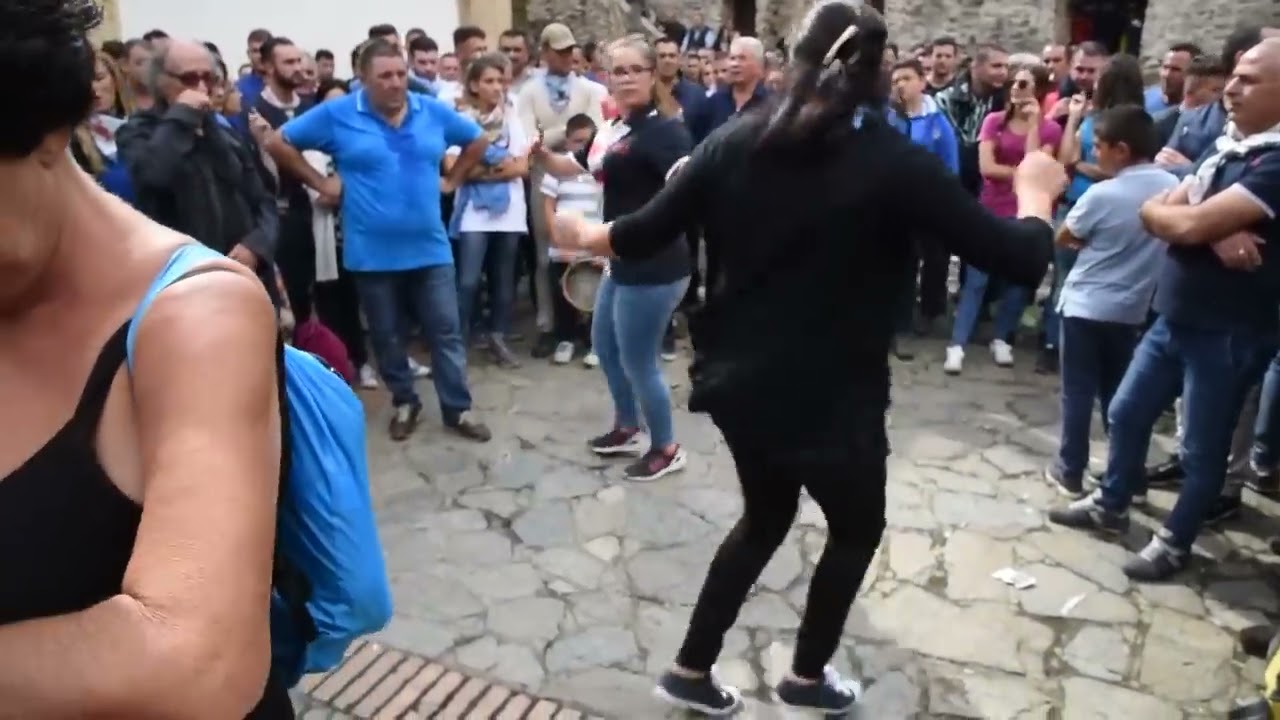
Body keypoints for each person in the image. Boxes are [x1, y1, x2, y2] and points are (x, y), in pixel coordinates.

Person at [551, 0, 1064, 713]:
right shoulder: (890, 163)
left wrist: (586, 233)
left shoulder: (734, 140)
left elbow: (643, 231)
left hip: (741, 383)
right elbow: (1016, 254)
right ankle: (803, 677)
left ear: (793, 62)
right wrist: (1036, 192)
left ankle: (691, 671)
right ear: (877, 74)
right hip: (830, 398)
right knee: (855, 529)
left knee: (765, 518)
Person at [0, 0, 286, 716]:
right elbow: (152, 172)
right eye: (186, 76)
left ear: (44, 128)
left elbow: (193, 662)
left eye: (207, 74)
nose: (200, 85)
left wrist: (255, 247)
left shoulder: (194, 317)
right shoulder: (155, 134)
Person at [535, 35, 693, 482]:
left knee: (640, 361)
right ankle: (628, 427)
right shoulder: (614, 129)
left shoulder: (666, 131)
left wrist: (596, 234)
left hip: (656, 265)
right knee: (605, 346)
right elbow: (577, 164)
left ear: (652, 75)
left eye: (633, 70)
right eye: (616, 71)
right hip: (619, 259)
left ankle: (666, 446)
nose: (624, 78)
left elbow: (683, 196)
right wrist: (542, 157)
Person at [944, 63, 1062, 374]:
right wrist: (1023, 175)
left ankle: (1002, 338)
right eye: (1013, 82)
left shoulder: (1050, 129)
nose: (1015, 88)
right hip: (991, 207)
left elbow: (1038, 165)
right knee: (976, 281)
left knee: (1017, 282)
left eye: (1023, 83)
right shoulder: (994, 121)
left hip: (1026, 212)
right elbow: (987, 168)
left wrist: (1034, 124)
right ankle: (957, 344)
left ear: (1038, 89)